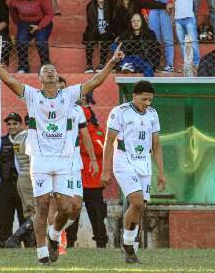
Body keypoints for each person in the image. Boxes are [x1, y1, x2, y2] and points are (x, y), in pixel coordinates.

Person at [0, 40, 124, 265]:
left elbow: (95, 81)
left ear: (58, 77)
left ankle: (54, 234)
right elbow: (8, 79)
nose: (49, 72)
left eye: (52, 70)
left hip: (65, 161)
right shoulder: (32, 95)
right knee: (42, 206)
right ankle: (41, 254)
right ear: (39, 78)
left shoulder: (69, 95)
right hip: (40, 160)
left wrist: (112, 63)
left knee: (67, 208)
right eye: (45, 70)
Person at [101, 80, 166, 263]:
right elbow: (109, 141)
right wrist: (106, 170)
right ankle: (128, 244)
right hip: (124, 162)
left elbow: (157, 145)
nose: (147, 103)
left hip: (144, 163)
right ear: (134, 96)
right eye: (144, 99)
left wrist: (161, 172)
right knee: (136, 202)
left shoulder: (153, 114)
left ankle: (130, 250)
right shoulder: (120, 112)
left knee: (141, 206)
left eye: (150, 100)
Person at [57, 77, 99, 249]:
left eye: (63, 89)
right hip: (54, 165)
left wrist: (94, 160)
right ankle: (54, 239)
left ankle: (58, 231)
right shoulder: (44, 109)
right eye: (57, 89)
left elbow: (85, 136)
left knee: (75, 206)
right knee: (58, 205)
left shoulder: (77, 110)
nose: (61, 92)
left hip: (74, 164)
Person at [0, 112, 27, 248]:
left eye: (15, 123)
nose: (11, 126)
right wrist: (1, 160)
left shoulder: (26, 139)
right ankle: (5, 243)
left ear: (20, 125)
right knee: (5, 217)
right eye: (9, 124)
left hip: (23, 184)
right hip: (6, 185)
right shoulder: (1, 141)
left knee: (25, 216)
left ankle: (29, 243)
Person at [3, 114, 36, 248]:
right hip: (32, 177)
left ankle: (33, 243)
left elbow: (17, 162)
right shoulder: (34, 138)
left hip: (22, 177)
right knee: (38, 212)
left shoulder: (18, 138)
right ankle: (15, 237)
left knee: (29, 213)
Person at [9, 0, 54, 73]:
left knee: (41, 41)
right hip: (25, 23)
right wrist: (19, 24)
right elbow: (13, 12)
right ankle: (23, 66)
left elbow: (49, 13)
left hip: (41, 22)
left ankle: (45, 66)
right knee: (21, 41)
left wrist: (39, 26)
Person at [140, 0, 176, 73]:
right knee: (154, 37)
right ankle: (154, 64)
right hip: (152, 6)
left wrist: (171, 4)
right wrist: (144, 11)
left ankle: (169, 64)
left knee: (167, 36)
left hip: (166, 5)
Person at [80, 104, 108, 248]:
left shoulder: (96, 132)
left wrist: (82, 142)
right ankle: (69, 243)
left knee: (97, 215)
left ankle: (101, 242)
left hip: (93, 181)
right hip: (77, 179)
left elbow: (100, 149)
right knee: (71, 213)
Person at [83, 0, 115, 73]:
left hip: (108, 31)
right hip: (94, 30)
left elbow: (114, 22)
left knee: (105, 36)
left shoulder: (112, 5)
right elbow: (91, 23)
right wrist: (98, 32)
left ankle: (101, 64)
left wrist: (106, 32)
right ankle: (89, 65)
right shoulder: (90, 6)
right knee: (89, 36)